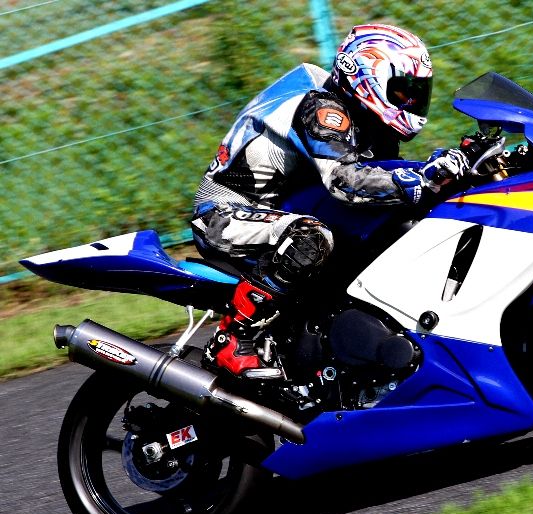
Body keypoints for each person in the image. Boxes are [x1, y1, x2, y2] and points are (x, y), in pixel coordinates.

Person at [191, 23, 470, 380]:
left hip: (284, 206)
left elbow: (385, 177)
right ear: (366, 77)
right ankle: (233, 336)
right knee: (310, 238)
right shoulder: (323, 109)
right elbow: (345, 182)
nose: (410, 102)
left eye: (416, 92)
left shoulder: (370, 123)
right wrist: (425, 179)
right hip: (224, 215)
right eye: (401, 90)